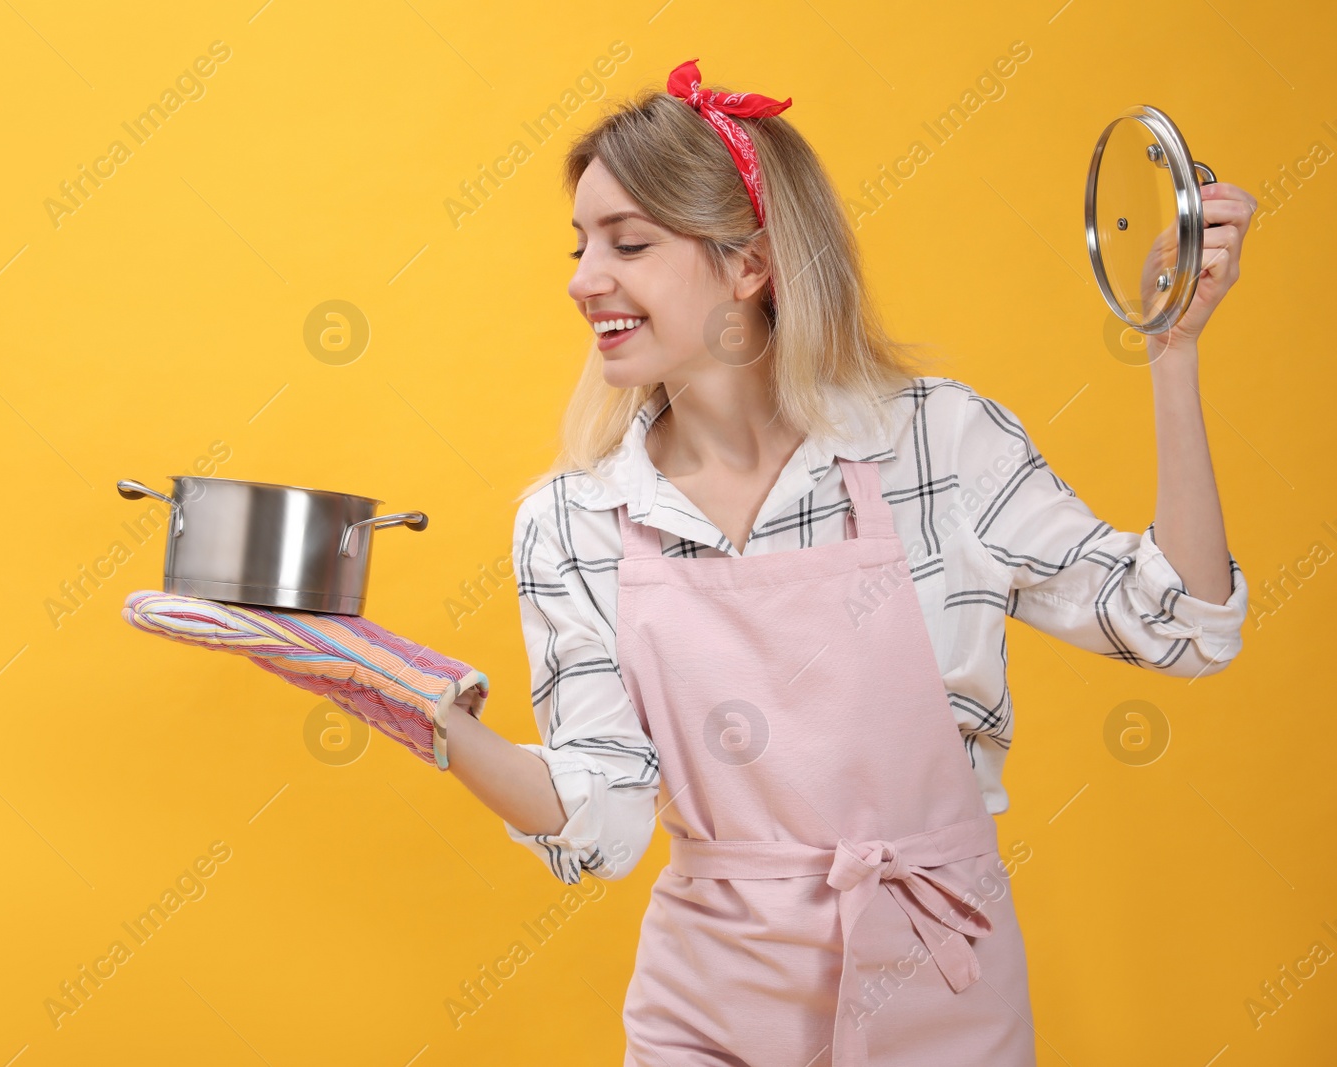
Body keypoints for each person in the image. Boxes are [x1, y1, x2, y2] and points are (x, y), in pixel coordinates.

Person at [126, 57, 1255, 1067]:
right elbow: (604, 823)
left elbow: (1180, 626)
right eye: (578, 246)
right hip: (708, 1011)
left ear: (749, 265)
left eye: (627, 242)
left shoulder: (935, 444)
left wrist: (1173, 355)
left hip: (940, 995)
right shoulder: (572, 521)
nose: (581, 278)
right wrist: (397, 693)